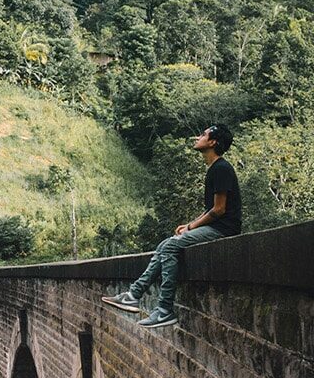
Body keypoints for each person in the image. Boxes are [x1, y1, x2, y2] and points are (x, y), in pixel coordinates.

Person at [103, 123, 241, 328]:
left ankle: (165, 310)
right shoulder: (214, 168)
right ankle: (133, 294)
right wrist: (190, 225)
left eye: (203, 135)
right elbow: (212, 208)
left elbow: (220, 209)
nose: (197, 138)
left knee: (169, 247)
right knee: (165, 245)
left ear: (212, 142)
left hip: (223, 230)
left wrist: (192, 226)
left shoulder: (221, 168)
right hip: (216, 227)